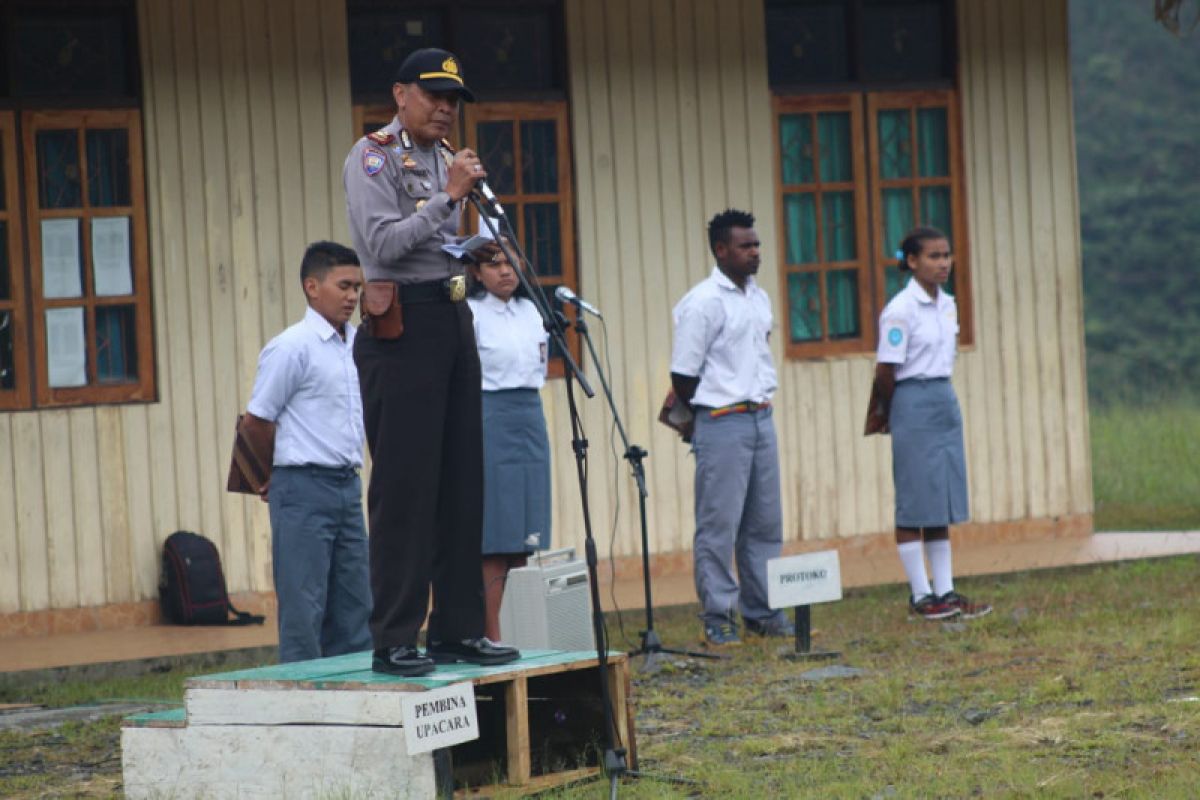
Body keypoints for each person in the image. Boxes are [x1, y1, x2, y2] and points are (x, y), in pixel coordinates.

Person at [343, 47, 519, 676]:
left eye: (454, 101)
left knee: (460, 481)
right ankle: (395, 636)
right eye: (434, 96)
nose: (446, 109)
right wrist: (448, 199)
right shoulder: (372, 157)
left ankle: (458, 629)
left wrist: (470, 229)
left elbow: (443, 240)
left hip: (451, 316)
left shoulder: (448, 160)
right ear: (400, 94)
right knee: (405, 489)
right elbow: (382, 242)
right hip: (402, 326)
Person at [243, 241, 372, 664]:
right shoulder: (292, 346)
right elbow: (258, 419)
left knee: (355, 606)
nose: (353, 296)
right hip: (301, 486)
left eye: (357, 287)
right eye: (343, 286)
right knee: (304, 606)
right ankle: (300, 708)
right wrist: (264, 477)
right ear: (312, 287)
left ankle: (353, 704)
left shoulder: (359, 344)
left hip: (346, 487)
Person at [669, 209, 794, 647]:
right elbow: (683, 376)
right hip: (722, 420)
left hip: (761, 416)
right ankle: (718, 615)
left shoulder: (758, 297)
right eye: (745, 246)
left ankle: (762, 611)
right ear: (721, 250)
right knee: (719, 524)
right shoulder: (703, 302)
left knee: (764, 522)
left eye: (757, 244)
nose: (755, 252)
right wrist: (705, 418)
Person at [866, 226, 992, 621]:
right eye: (934, 256)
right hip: (912, 398)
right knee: (915, 499)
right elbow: (887, 368)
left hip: (943, 396)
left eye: (947, 255)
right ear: (912, 262)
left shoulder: (947, 304)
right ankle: (921, 595)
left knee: (941, 497)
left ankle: (946, 590)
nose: (943, 263)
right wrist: (895, 410)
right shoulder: (901, 310)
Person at [465, 236, 552, 642]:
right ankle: (492, 633)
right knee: (495, 534)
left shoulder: (532, 311)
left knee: (525, 531)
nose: (504, 270)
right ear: (477, 272)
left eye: (510, 260)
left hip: (529, 415)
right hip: (490, 416)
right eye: (493, 264)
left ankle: (525, 631)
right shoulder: (471, 312)